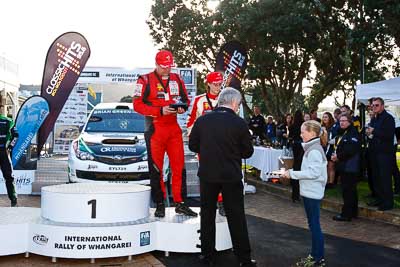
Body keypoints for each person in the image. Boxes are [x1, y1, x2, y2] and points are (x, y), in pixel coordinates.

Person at [189, 88, 256, 267]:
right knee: (236, 217)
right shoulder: (239, 123)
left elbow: (193, 145)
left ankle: (207, 255)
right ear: (234, 103)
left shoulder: (202, 120)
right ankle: (244, 258)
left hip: (208, 175)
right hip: (231, 176)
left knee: (207, 215)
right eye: (239, 103)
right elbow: (248, 152)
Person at [133, 50, 197, 218]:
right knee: (156, 169)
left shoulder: (177, 79)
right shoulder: (145, 80)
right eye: (163, 67)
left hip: (173, 129)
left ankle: (180, 203)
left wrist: (182, 107)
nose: (167, 70)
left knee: (179, 167)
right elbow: (137, 105)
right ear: (156, 64)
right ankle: (160, 203)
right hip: (155, 129)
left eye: (169, 67)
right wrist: (159, 110)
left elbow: (186, 100)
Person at [281, 120, 327, 267]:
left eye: (303, 131)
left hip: (312, 192)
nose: (300, 134)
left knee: (314, 226)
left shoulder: (314, 150)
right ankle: (315, 256)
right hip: (311, 191)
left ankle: (317, 258)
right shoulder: (312, 147)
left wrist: (292, 174)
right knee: (313, 225)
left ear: (312, 133)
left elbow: (313, 173)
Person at [186, 71, 226, 216]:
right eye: (215, 84)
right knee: (206, 176)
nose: (217, 86)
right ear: (208, 84)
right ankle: (207, 205)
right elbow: (190, 123)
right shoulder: (199, 100)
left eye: (220, 84)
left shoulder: (226, 99)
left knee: (222, 175)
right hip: (205, 147)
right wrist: (196, 139)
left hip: (223, 147)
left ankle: (222, 203)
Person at [366, 97, 395, 211]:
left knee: (385, 178)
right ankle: (379, 199)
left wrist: (373, 131)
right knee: (376, 177)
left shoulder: (388, 118)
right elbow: (372, 133)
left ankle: (388, 203)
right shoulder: (374, 118)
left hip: (384, 154)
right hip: (374, 152)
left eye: (376, 105)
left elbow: (388, 135)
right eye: (372, 105)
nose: (374, 107)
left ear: (382, 106)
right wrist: (369, 134)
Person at [331, 113, 361, 221]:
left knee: (348, 190)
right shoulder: (344, 132)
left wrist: (338, 157)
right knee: (350, 190)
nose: (342, 123)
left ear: (350, 121)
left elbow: (350, 150)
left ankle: (346, 215)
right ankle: (352, 212)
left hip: (349, 167)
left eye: (344, 121)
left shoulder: (352, 133)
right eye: (340, 121)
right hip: (345, 166)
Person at [0, 104, 18, 207]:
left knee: (9, 177)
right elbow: (16, 136)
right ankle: (14, 200)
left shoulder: (8, 121)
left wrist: (9, 148)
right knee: (9, 177)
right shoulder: (8, 120)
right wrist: (10, 148)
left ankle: (13, 199)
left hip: (4, 152)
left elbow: (16, 135)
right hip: (4, 152)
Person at [288, 110, 304, 202]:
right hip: (302, 147)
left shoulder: (292, 126)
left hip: (295, 146)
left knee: (296, 167)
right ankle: (297, 194)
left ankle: (295, 195)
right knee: (299, 167)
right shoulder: (303, 125)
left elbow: (290, 137)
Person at [321, 112, 336, 188]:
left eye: (326, 117)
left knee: (331, 166)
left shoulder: (333, 127)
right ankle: (326, 181)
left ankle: (331, 183)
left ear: (330, 118)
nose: (324, 119)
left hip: (331, 148)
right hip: (324, 148)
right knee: (325, 166)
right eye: (323, 117)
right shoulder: (322, 127)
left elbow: (335, 138)